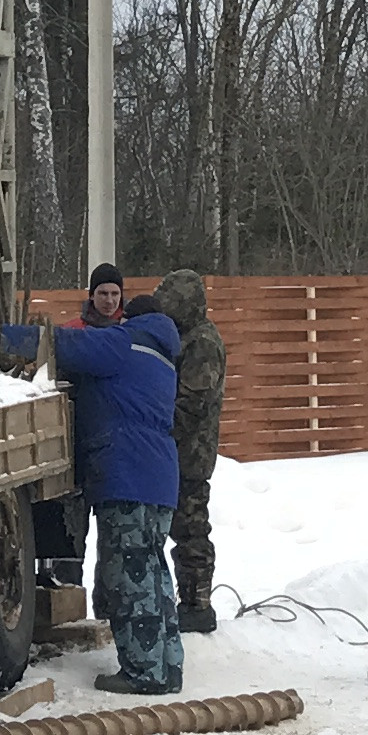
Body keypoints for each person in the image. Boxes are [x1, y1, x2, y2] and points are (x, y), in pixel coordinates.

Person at [50, 263, 184, 694]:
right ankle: (169, 666)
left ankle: (143, 673)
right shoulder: (163, 356)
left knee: (132, 577)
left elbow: (67, 346)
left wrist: (7, 337)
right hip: (159, 478)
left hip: (127, 476)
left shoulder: (128, 345)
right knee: (155, 572)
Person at [153, 265, 226, 632]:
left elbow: (194, 401)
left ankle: (197, 604)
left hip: (191, 454)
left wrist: (162, 429)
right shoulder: (184, 336)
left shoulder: (201, 342)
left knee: (191, 528)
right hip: (178, 450)